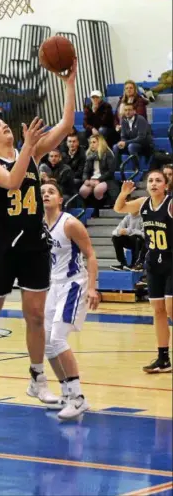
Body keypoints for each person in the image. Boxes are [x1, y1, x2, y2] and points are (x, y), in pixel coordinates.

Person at [0, 60, 78, 403]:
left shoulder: (32, 151)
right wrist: (27, 146)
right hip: (4, 246)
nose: (4, 126)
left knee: (36, 315)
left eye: (4, 122)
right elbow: (11, 183)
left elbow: (67, 124)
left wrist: (69, 83)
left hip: (35, 243)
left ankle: (38, 378)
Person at [36, 181, 99, 419]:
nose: (46, 195)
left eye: (51, 191)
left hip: (74, 284)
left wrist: (92, 288)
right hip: (52, 285)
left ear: (61, 199)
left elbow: (91, 255)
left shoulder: (70, 223)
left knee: (57, 337)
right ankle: (66, 393)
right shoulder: (39, 225)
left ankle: (79, 398)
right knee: (47, 343)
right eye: (42, 192)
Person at [114, 172, 172, 373]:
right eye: (151, 181)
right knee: (158, 310)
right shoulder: (143, 203)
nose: (154, 184)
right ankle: (163, 358)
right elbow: (119, 208)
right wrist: (123, 194)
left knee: (171, 308)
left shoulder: (170, 204)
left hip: (171, 262)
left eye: (158, 180)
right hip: (154, 264)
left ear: (166, 185)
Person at [79, 135, 118, 204]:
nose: (91, 145)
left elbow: (110, 171)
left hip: (106, 179)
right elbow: (85, 171)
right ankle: (93, 207)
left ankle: (102, 205)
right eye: (90, 143)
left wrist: (99, 180)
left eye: (94, 142)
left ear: (100, 143)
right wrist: (85, 179)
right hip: (92, 179)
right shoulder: (89, 155)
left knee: (98, 190)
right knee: (83, 191)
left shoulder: (108, 153)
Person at [112, 103, 154, 169]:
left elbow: (141, 137)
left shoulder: (141, 119)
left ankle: (136, 169)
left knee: (131, 146)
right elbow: (123, 136)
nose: (127, 112)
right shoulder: (123, 120)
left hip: (144, 145)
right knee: (116, 147)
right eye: (125, 110)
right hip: (130, 144)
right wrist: (123, 142)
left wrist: (126, 143)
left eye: (129, 110)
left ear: (134, 111)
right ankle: (117, 168)